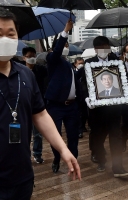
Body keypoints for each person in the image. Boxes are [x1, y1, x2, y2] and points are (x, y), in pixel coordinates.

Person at [0, 8, 81, 199]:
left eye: (10, 34)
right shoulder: (54, 59)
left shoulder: (26, 74)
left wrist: (63, 149)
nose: (4, 39)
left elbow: (40, 114)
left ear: (17, 37)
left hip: (22, 175)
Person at [83, 36, 128, 177]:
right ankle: (101, 159)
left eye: (106, 47)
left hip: (114, 109)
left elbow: (123, 81)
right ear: (96, 49)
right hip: (97, 111)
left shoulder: (117, 63)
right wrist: (87, 98)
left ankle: (118, 167)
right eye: (101, 47)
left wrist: (126, 95)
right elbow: (84, 84)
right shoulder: (89, 63)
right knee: (98, 137)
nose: (104, 50)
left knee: (116, 137)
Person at [45, 20, 81, 173]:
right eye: (64, 46)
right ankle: (57, 158)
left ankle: (73, 160)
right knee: (56, 136)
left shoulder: (69, 64)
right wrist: (65, 31)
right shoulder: (52, 59)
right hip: (56, 106)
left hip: (72, 106)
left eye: (67, 46)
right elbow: (58, 49)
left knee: (73, 136)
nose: (66, 48)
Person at [22, 46, 48, 164]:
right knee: (23, 133)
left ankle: (37, 154)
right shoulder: (20, 71)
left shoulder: (41, 70)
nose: (32, 59)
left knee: (37, 134)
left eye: (33, 56)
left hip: (37, 107)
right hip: (23, 106)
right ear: (24, 58)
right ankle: (24, 155)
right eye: (29, 57)